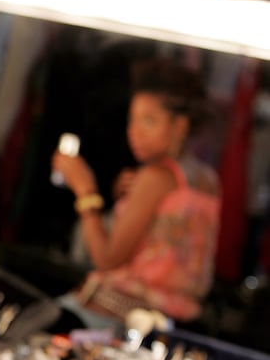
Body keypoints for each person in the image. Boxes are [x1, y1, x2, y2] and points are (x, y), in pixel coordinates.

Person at [52, 58, 220, 329]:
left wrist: (85, 191)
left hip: (116, 317)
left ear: (180, 126)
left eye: (149, 121)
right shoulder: (206, 180)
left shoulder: (156, 177)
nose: (134, 132)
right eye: (133, 119)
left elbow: (106, 259)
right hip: (168, 320)